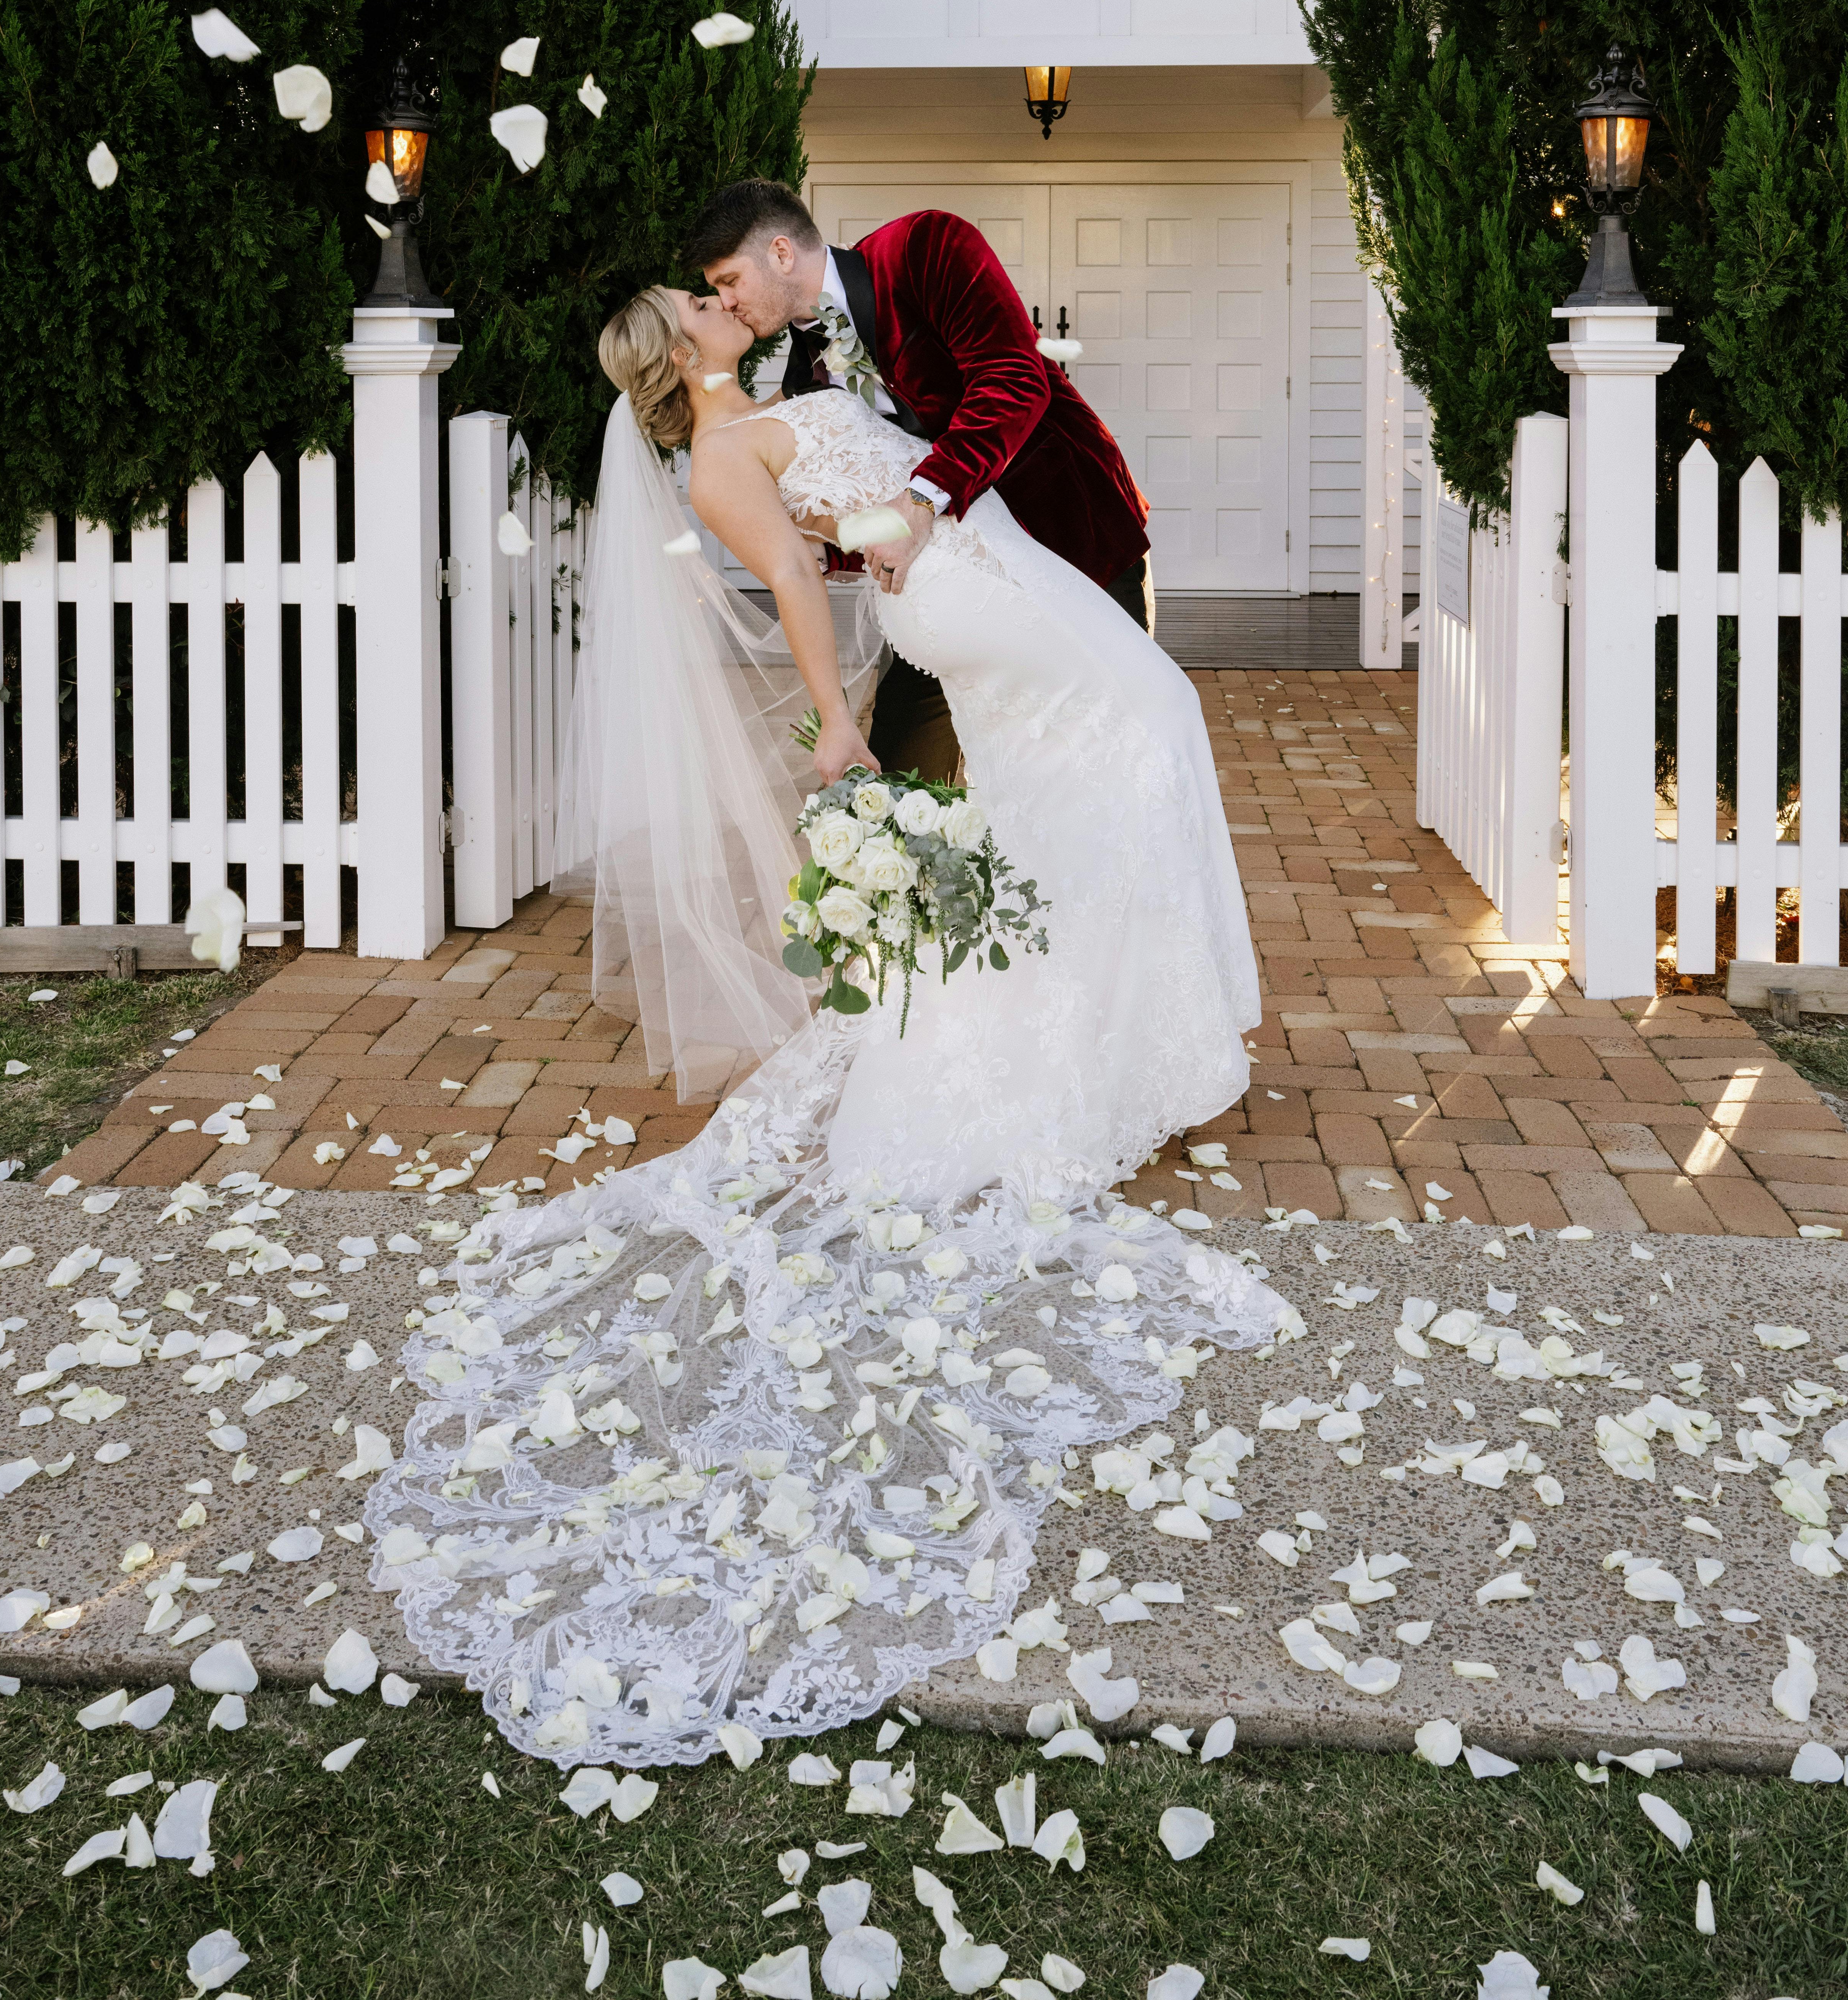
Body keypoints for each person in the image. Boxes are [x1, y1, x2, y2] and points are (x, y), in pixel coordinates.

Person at [366, 282, 1271, 1777]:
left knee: (1073, 800)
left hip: (984, 567)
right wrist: (836, 719)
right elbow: (797, 571)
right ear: (678, 357)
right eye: (692, 306)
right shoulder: (719, 453)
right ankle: (1065, 1042)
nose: (716, 299)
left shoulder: (763, 394)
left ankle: (1109, 1017)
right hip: (960, 593)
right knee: (1100, 763)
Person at [685, 177, 1151, 785]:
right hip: (951, 577)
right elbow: (861, 485)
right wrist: (827, 549)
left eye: (728, 281)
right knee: (904, 770)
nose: (724, 301)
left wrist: (920, 500)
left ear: (780, 253)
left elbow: (1013, 378)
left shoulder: (925, 246)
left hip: (1074, 537)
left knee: (1109, 748)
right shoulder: (805, 376)